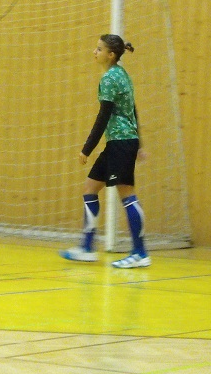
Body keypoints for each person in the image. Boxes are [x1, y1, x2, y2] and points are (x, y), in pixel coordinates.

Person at [60, 34, 150, 269]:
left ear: (111, 55)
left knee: (127, 195)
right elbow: (133, 109)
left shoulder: (110, 78)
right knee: (90, 188)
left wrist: (86, 149)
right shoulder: (121, 74)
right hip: (120, 142)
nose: (94, 52)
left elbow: (103, 117)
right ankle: (87, 248)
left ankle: (140, 253)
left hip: (121, 142)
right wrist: (139, 143)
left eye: (99, 49)